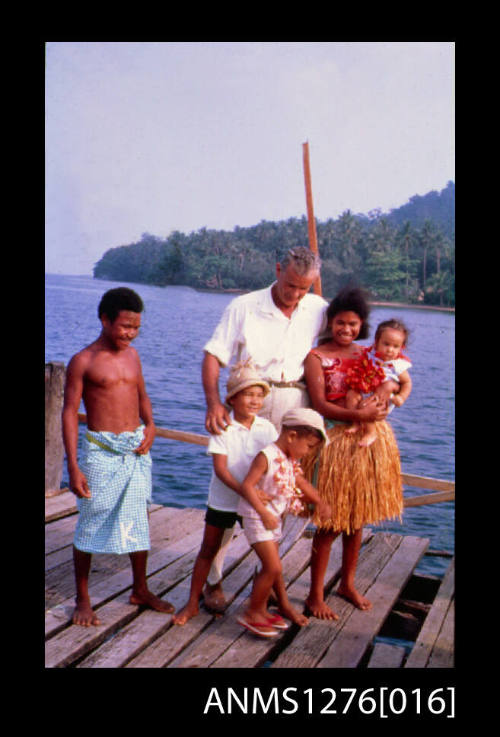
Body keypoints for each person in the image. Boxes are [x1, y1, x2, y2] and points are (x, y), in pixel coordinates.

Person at [200, 246, 332, 611]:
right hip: (253, 398)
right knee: (235, 488)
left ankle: (270, 577)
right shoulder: (244, 306)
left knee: (282, 489)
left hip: (296, 402)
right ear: (277, 270)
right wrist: (214, 402)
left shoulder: (317, 308)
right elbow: (213, 355)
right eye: (290, 285)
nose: (295, 295)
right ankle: (213, 579)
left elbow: (340, 343)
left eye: (304, 288)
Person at [62, 287, 174, 627]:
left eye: (136, 327)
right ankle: (83, 597)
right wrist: (73, 465)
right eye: (124, 326)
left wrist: (151, 425)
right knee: (92, 517)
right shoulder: (84, 361)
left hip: (135, 449)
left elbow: (141, 394)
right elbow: (69, 412)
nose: (129, 333)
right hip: (102, 452)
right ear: (105, 319)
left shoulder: (133, 356)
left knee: (138, 517)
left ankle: (140, 588)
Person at [302, 287, 403, 619]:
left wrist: (384, 406)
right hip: (335, 440)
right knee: (330, 520)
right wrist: (358, 416)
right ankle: (315, 595)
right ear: (330, 322)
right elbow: (319, 404)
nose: (347, 330)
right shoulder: (316, 356)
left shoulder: (368, 354)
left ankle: (347, 583)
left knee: (356, 518)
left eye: (354, 324)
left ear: (362, 326)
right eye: (341, 323)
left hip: (369, 443)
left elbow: (391, 383)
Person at [173, 361, 278, 625]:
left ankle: (268, 601)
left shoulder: (266, 428)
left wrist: (263, 493)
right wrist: (246, 490)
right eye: (248, 394)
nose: (254, 401)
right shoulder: (223, 426)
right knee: (208, 548)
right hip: (224, 499)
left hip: (255, 502)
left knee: (269, 554)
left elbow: (276, 462)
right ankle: (192, 602)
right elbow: (221, 470)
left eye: (259, 395)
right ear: (232, 398)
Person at [236, 408, 332, 638]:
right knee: (273, 567)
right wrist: (264, 512)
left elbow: (300, 482)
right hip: (257, 517)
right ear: (291, 436)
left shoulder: (288, 459)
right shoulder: (267, 456)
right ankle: (252, 612)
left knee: (274, 566)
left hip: (273, 518)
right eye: (308, 447)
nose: (309, 453)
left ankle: (266, 608)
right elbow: (248, 486)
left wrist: (320, 501)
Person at [344, 318, 413, 447]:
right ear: (376, 343)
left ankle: (371, 432)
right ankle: (356, 423)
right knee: (351, 395)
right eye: (386, 344)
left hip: (381, 399)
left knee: (365, 406)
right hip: (366, 391)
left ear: (401, 348)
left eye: (395, 346)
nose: (390, 350)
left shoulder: (397, 365)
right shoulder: (370, 355)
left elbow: (407, 383)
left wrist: (401, 397)